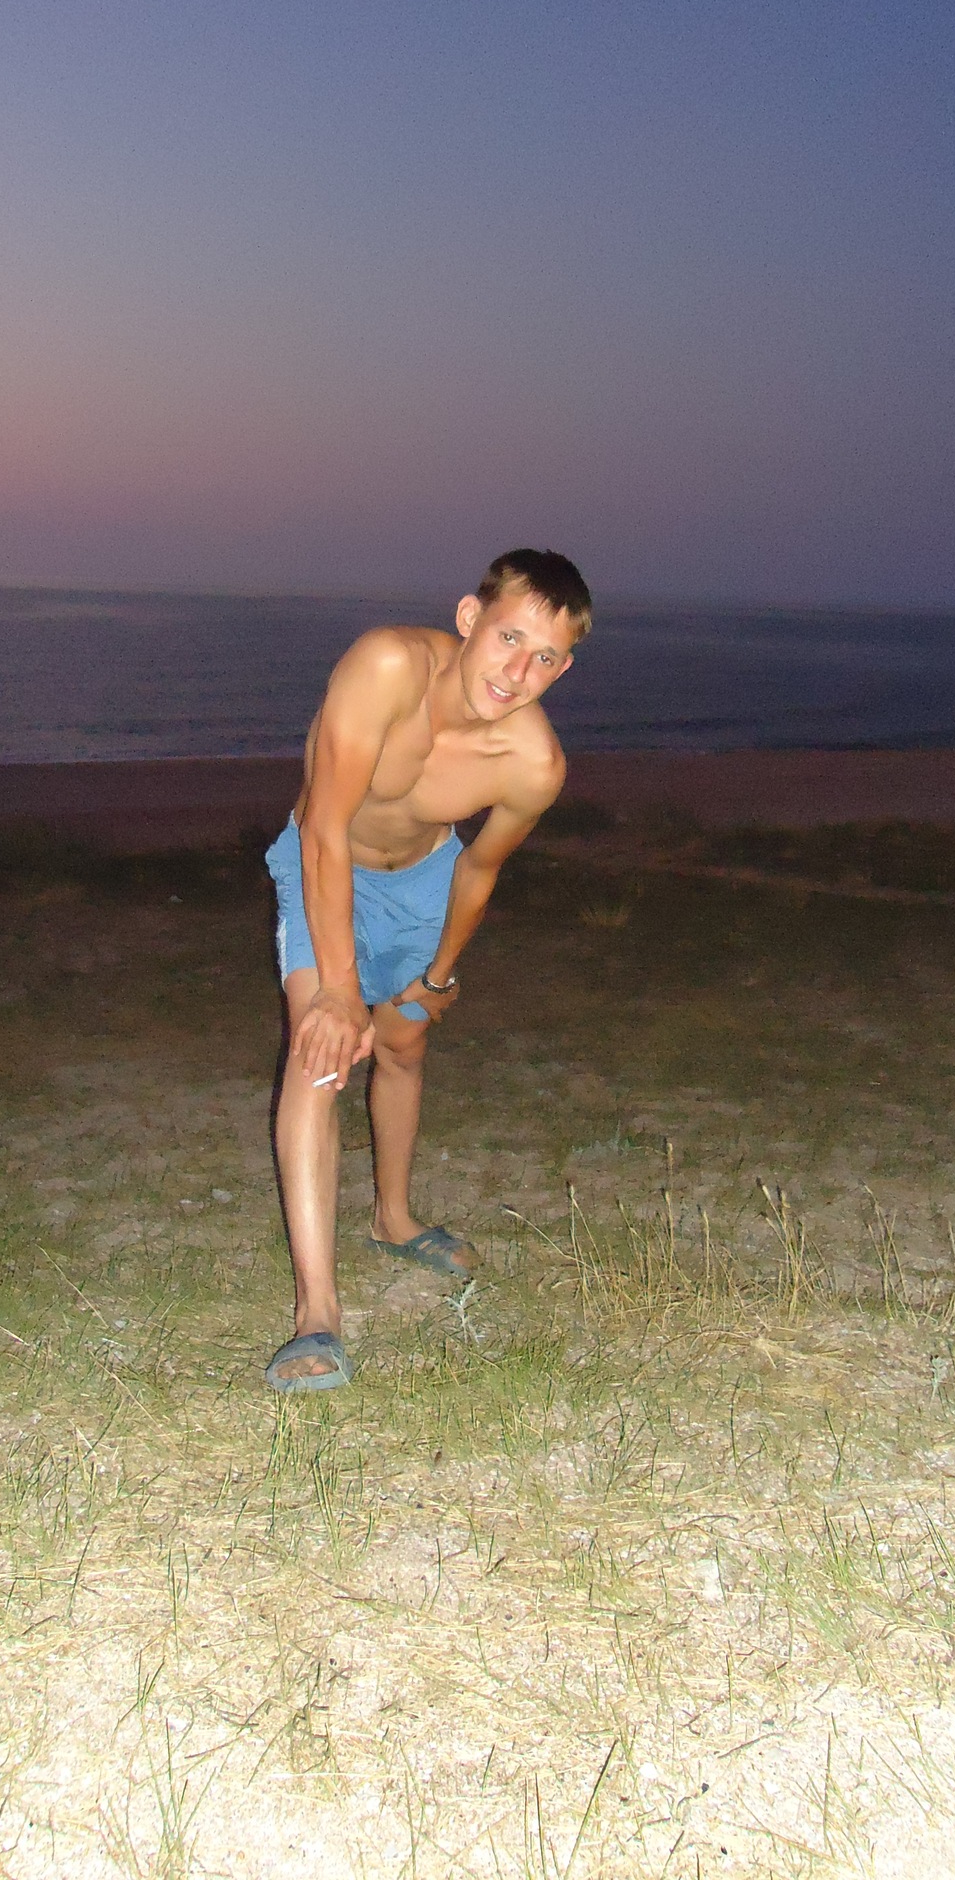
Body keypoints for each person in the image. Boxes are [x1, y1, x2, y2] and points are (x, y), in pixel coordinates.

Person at [263, 548, 592, 1391]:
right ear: (469, 618)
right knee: (320, 1053)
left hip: (423, 882)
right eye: (508, 638)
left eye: (545, 657)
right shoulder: (386, 668)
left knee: (403, 1045)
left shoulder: (533, 765)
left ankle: (394, 1217)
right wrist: (338, 990)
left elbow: (478, 869)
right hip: (323, 860)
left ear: (563, 668)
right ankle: (316, 1314)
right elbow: (323, 825)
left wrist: (436, 978)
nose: (517, 672)